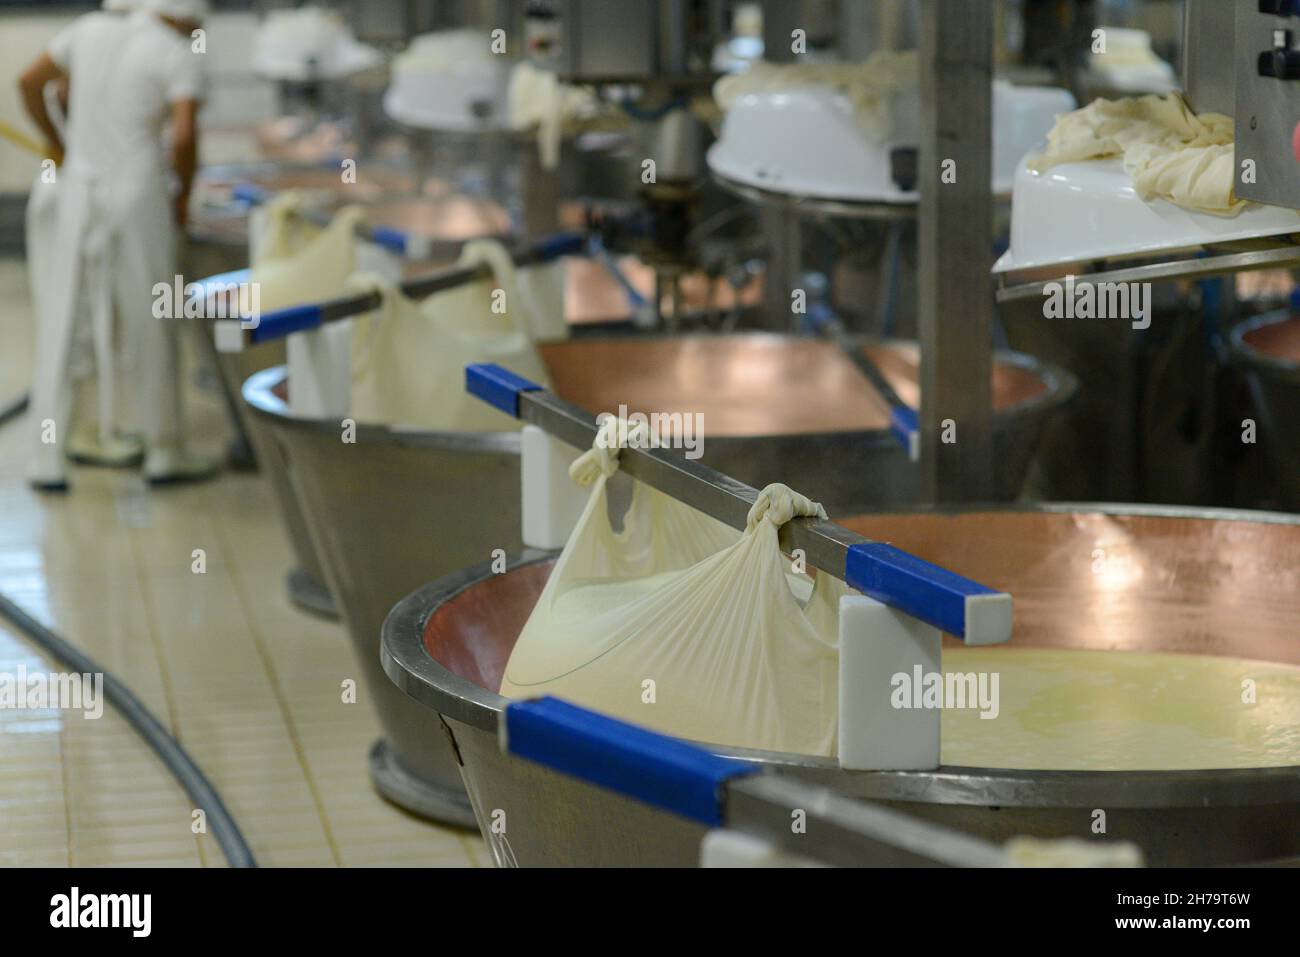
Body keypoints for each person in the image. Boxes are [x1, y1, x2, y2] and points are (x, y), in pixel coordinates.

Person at [18, 0, 217, 490]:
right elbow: (185, 135)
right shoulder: (178, 52)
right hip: (139, 192)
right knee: (155, 315)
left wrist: (57, 143)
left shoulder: (87, 30)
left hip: (80, 188)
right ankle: (165, 450)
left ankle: (48, 456)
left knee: (64, 314)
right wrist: (184, 197)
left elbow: (28, 81)